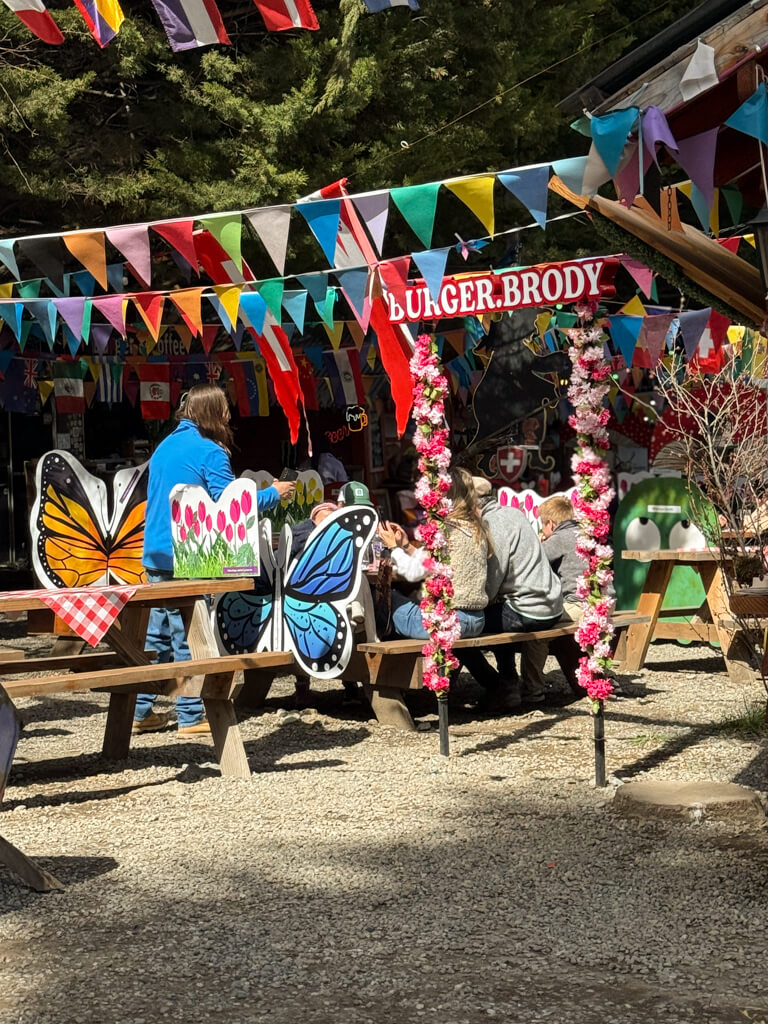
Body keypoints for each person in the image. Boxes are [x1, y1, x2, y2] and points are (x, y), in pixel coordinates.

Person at [134, 384, 296, 735]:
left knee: (158, 636)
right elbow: (228, 506)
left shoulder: (164, 447)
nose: (229, 417)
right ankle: (191, 716)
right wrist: (273, 494)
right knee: (191, 636)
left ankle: (139, 710)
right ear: (212, 413)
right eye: (225, 410)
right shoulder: (211, 452)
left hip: (156, 553)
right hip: (189, 556)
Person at [459, 483, 563, 712]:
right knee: (495, 615)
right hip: (552, 604)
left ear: (472, 504)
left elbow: (491, 581)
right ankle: (507, 679)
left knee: (460, 626)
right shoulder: (513, 513)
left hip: (529, 610)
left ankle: (502, 685)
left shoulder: (491, 525)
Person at [377, 468, 489, 639]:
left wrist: (393, 548)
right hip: (477, 620)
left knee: (384, 598)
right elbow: (432, 563)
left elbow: (413, 573)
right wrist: (407, 547)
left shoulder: (445, 531)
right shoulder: (475, 529)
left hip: (447, 622)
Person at [539, 495, 582, 622]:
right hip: (605, 603)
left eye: (543, 524)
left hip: (579, 606)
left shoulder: (559, 538)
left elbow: (533, 561)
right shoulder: (584, 533)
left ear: (551, 524)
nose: (542, 529)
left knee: (536, 623)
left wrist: (537, 543)